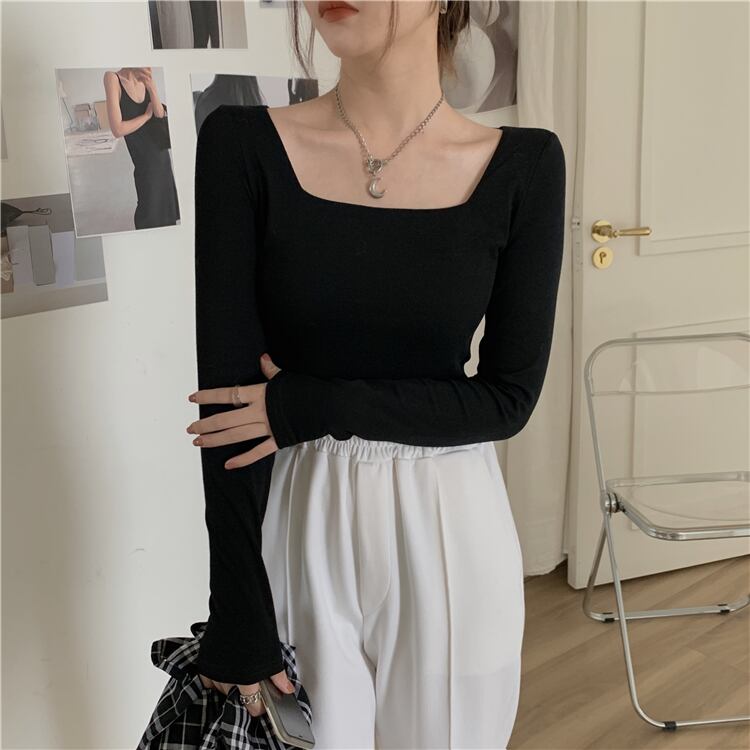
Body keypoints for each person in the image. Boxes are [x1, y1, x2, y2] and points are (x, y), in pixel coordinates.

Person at [185, 1, 566, 747]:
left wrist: (310, 403)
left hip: (449, 520)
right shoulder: (242, 145)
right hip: (299, 514)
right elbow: (226, 412)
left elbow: (508, 399)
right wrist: (235, 610)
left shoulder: (524, 164)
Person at [104, 67, 180, 230]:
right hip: (144, 162)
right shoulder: (113, 78)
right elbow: (118, 129)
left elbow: (159, 115)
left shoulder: (146, 80)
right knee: (148, 213)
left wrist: (152, 87)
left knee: (167, 215)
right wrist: (145, 116)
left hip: (162, 158)